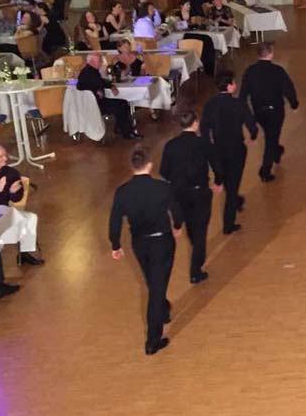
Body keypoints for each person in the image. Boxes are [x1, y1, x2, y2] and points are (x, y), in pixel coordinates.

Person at [109, 145, 182, 356]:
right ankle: (153, 340)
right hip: (162, 241)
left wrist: (115, 245)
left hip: (139, 244)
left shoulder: (122, 192)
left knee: (153, 280)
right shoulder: (162, 187)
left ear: (132, 165)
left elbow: (114, 222)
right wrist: (177, 226)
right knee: (157, 288)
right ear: (149, 165)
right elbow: (176, 211)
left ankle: (163, 309)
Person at [159, 111, 221, 284]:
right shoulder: (203, 143)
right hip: (200, 192)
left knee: (190, 227)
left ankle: (196, 249)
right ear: (195, 123)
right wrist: (218, 181)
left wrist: (175, 181)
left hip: (179, 193)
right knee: (200, 229)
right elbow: (215, 163)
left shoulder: (171, 146)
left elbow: (164, 171)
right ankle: (196, 269)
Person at [200, 72, 257, 234]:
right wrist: (252, 136)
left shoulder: (209, 105)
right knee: (233, 185)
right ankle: (228, 223)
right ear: (230, 85)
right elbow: (251, 124)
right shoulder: (238, 104)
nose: (236, 85)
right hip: (236, 150)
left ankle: (236, 200)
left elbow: (204, 130)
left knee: (226, 180)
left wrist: (208, 147)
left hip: (218, 150)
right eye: (234, 82)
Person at [240, 42, 299, 182]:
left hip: (259, 111)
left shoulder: (249, 71)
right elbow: (288, 89)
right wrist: (294, 104)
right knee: (271, 138)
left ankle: (277, 151)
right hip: (275, 111)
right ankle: (265, 171)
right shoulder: (278, 71)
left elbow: (242, 97)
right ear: (271, 53)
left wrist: (249, 118)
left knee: (271, 135)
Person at [77, 51, 139, 139]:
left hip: (97, 102)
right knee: (121, 104)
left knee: (122, 103)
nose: (101, 62)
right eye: (100, 60)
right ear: (92, 62)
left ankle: (121, 128)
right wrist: (95, 90)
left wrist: (111, 86)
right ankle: (126, 132)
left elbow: (100, 81)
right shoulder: (88, 72)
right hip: (95, 104)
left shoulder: (90, 70)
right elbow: (80, 85)